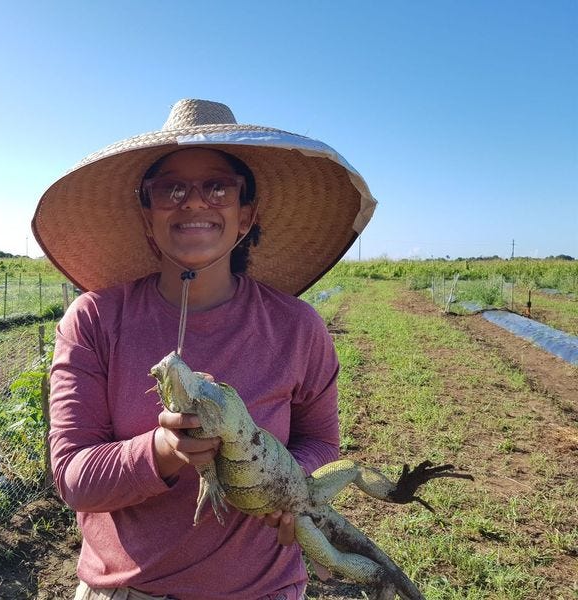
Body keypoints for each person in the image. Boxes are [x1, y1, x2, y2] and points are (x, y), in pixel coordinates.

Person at [31, 99, 376, 600]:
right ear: (147, 215)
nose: (194, 203)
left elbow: (321, 443)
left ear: (245, 216)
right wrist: (162, 450)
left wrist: (282, 485)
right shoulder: (95, 320)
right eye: (171, 189)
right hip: (127, 591)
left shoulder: (297, 327)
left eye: (218, 188)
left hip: (262, 590)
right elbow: (72, 477)